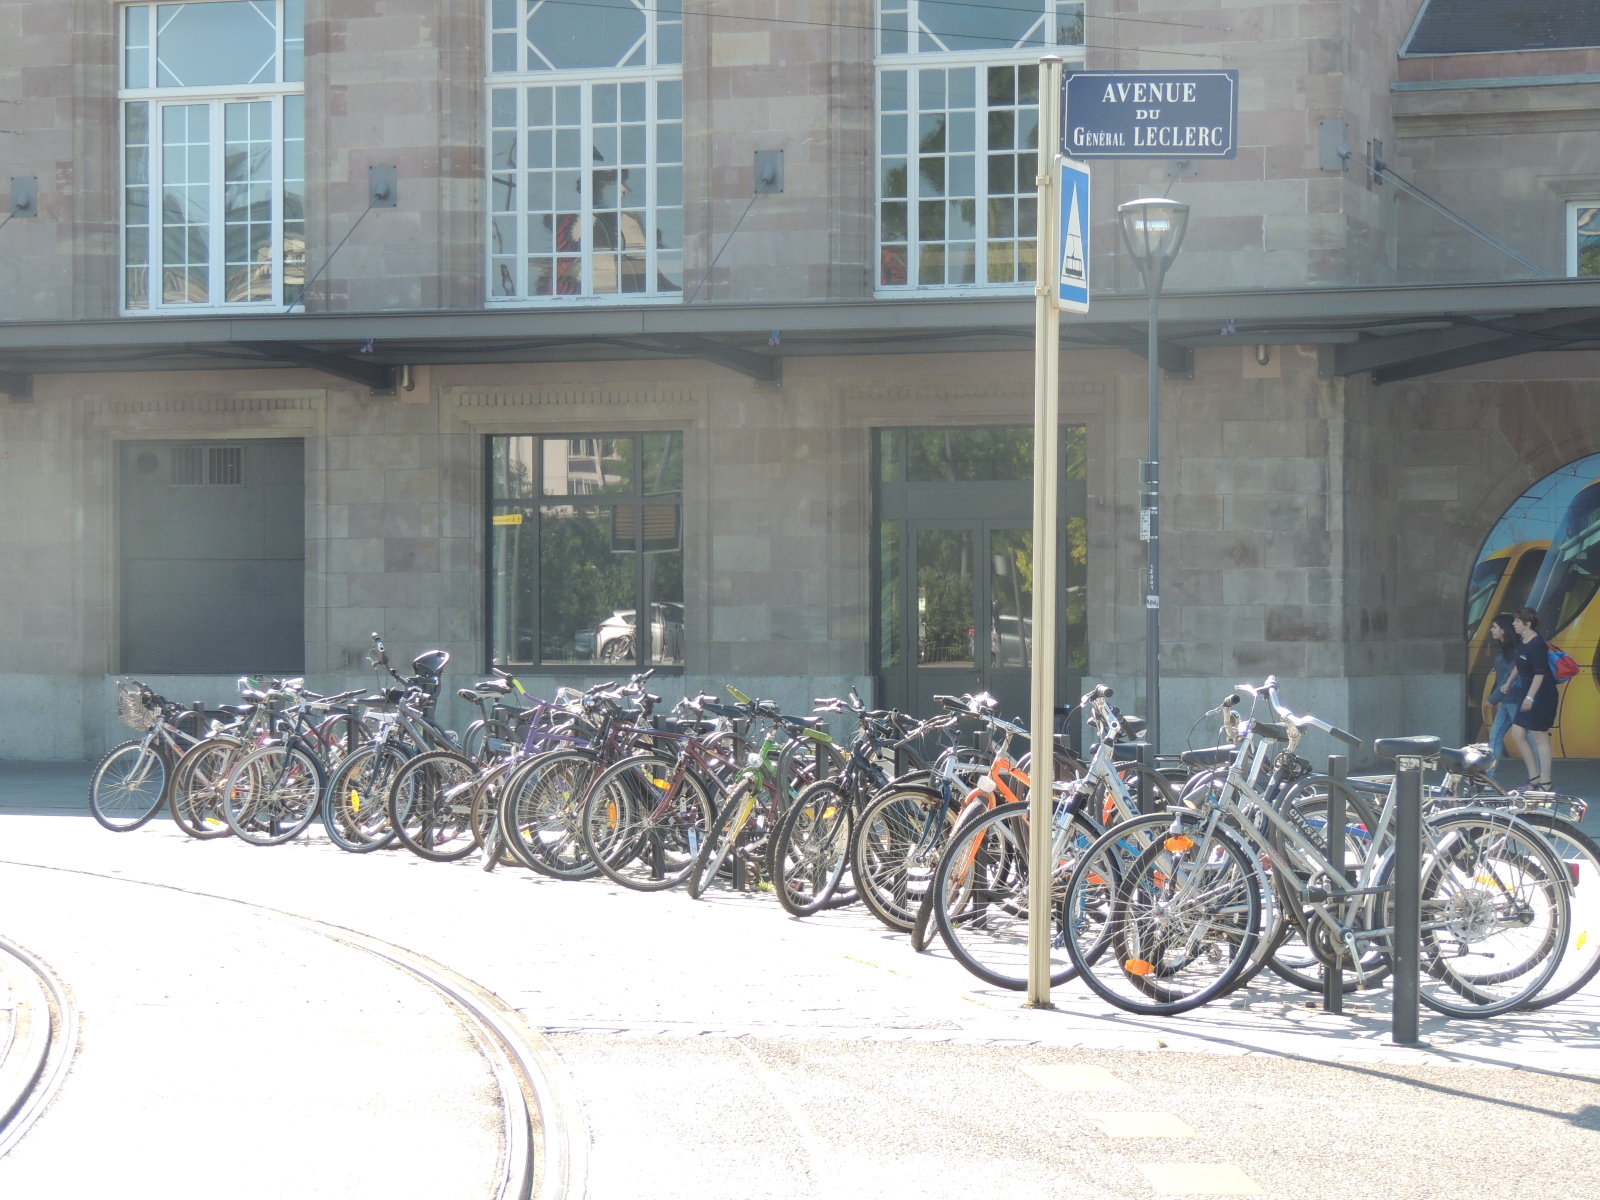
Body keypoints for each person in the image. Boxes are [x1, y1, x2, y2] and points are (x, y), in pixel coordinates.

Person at [1504, 605, 1557, 789]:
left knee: (1539, 736)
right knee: (1518, 734)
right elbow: (1519, 664)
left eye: (1517, 621)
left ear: (1528, 624)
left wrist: (1530, 698)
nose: (1514, 624)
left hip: (1542, 695)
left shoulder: (1537, 644)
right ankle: (1534, 777)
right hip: (1528, 693)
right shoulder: (1523, 642)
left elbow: (1540, 673)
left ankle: (1546, 782)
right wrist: (1509, 682)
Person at [1485, 613, 1521, 778]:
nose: (1491, 630)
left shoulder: (1513, 652)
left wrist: (1492, 699)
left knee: (1526, 739)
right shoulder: (1506, 651)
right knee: (1495, 737)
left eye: (1494, 627)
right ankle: (1489, 778)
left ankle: (1542, 779)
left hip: (1514, 701)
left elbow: (1507, 679)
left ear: (1504, 630)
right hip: (1508, 701)